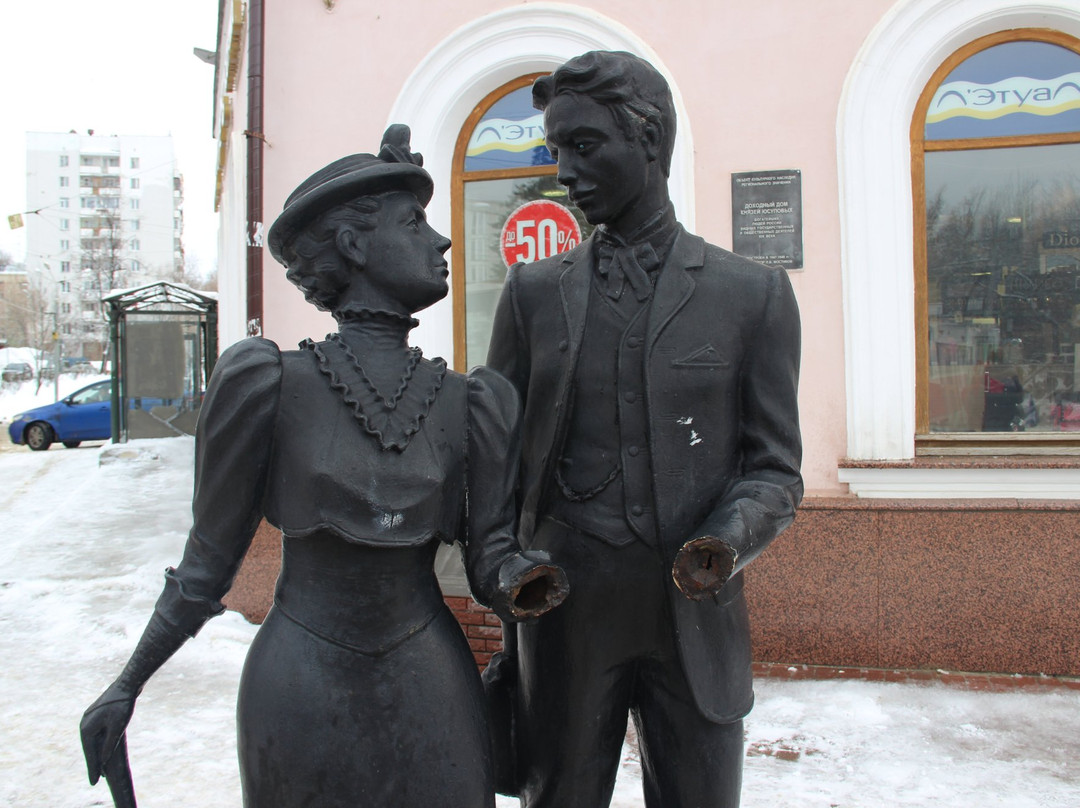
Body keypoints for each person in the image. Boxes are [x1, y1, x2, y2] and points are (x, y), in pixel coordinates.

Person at [80, 125, 567, 808]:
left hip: (429, 676)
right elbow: (205, 568)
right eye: (415, 222)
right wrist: (127, 684)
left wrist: (526, 576)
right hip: (299, 681)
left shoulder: (473, 401)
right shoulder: (268, 384)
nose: (442, 240)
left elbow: (489, 560)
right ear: (353, 242)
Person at [485, 52, 803, 807]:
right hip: (563, 616)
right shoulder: (533, 294)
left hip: (693, 614)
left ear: (650, 141)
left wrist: (724, 541)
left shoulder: (750, 295)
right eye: (554, 151)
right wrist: (499, 564)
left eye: (584, 147)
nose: (563, 171)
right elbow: (493, 458)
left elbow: (776, 469)